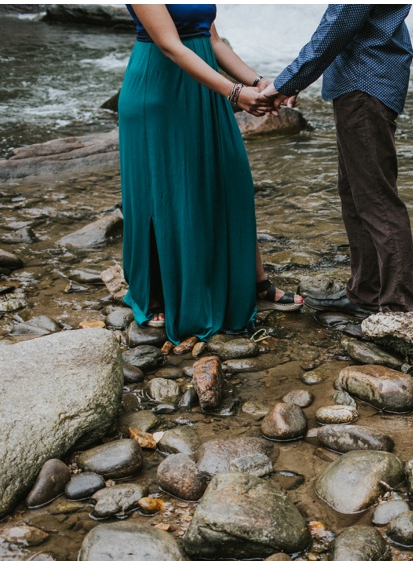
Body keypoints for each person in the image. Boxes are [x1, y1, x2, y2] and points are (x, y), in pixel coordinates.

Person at [119, 4, 302, 344]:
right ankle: (157, 293)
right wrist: (234, 92)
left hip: (205, 92)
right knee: (168, 196)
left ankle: (254, 280)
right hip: (159, 94)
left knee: (231, 183)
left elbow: (213, 41)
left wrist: (260, 82)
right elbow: (170, 46)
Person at [254, 4, 413, 316]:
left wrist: (285, 83)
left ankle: (398, 309)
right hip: (367, 81)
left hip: (366, 84)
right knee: (356, 193)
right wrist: (291, 81)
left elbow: (338, 24)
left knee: (376, 199)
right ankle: (365, 295)